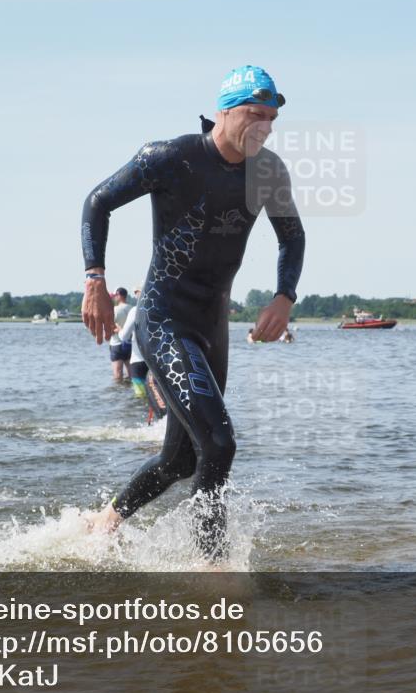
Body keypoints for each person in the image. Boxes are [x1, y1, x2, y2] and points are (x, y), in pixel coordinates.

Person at [80, 65, 304, 559]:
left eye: (271, 118)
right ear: (224, 111)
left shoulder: (267, 172)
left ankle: (107, 520)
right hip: (164, 321)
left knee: (179, 461)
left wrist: (284, 296)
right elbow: (98, 201)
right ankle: (212, 566)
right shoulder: (172, 158)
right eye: (254, 114)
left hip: (212, 329)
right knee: (220, 445)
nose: (263, 127)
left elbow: (292, 237)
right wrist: (94, 278)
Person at [109, 287, 133, 382]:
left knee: (117, 375)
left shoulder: (114, 310)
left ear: (119, 295)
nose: (114, 298)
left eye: (115, 296)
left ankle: (119, 393)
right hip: (130, 344)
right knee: (131, 374)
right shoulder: (133, 309)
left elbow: (109, 328)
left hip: (116, 344)